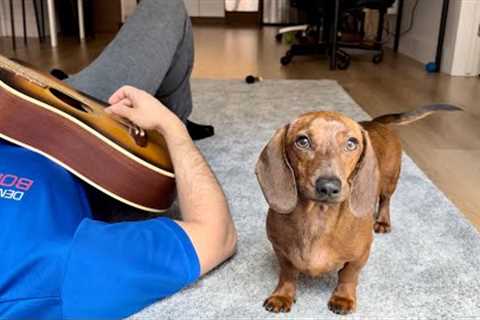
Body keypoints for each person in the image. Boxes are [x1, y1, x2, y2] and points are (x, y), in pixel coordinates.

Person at [0, 1, 237, 319]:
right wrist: (171, 130)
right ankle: (165, 133)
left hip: (16, 106)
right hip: (81, 143)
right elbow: (216, 235)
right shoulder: (50, 274)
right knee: (165, 8)